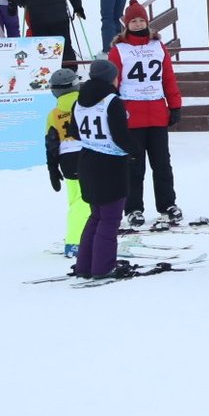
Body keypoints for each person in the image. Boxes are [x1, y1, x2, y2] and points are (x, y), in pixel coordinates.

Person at [108, 0, 183, 229]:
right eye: (134, 20)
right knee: (134, 166)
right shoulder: (118, 50)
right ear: (126, 24)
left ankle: (167, 204)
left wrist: (175, 105)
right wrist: (114, 112)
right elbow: (113, 83)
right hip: (132, 117)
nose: (138, 24)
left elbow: (168, 77)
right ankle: (133, 208)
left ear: (147, 22)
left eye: (141, 20)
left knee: (162, 164)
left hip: (157, 113)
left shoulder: (157, 47)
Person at [71, 59, 136, 279]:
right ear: (111, 77)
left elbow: (75, 131)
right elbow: (119, 135)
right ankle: (102, 267)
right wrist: (134, 150)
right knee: (109, 218)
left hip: (87, 160)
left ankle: (84, 265)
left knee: (96, 216)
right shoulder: (112, 101)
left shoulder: (78, 100)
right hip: (110, 164)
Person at [43, 66, 88, 257]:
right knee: (86, 202)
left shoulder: (53, 114)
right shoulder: (87, 105)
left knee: (75, 200)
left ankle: (79, 238)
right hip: (88, 155)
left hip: (66, 161)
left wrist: (52, 170)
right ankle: (76, 242)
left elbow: (51, 145)